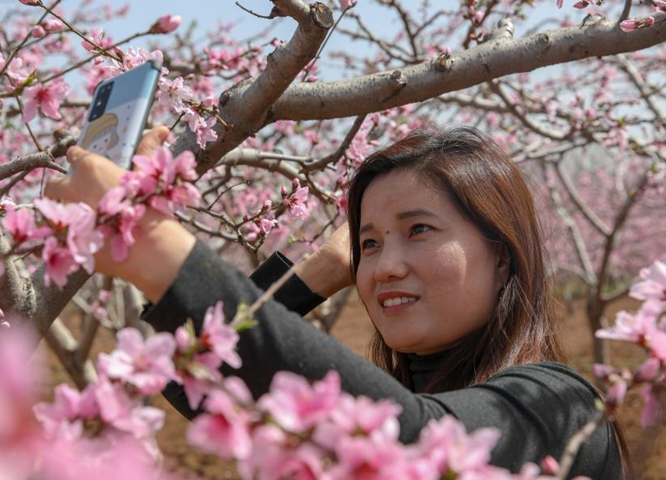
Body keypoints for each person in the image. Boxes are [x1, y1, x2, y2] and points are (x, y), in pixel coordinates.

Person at [46, 125, 626, 479]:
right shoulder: (411, 393)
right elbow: (191, 387)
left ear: (502, 255)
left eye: (419, 229)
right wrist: (318, 273)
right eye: (369, 243)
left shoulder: (559, 406)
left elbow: (422, 444)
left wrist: (151, 243)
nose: (385, 265)